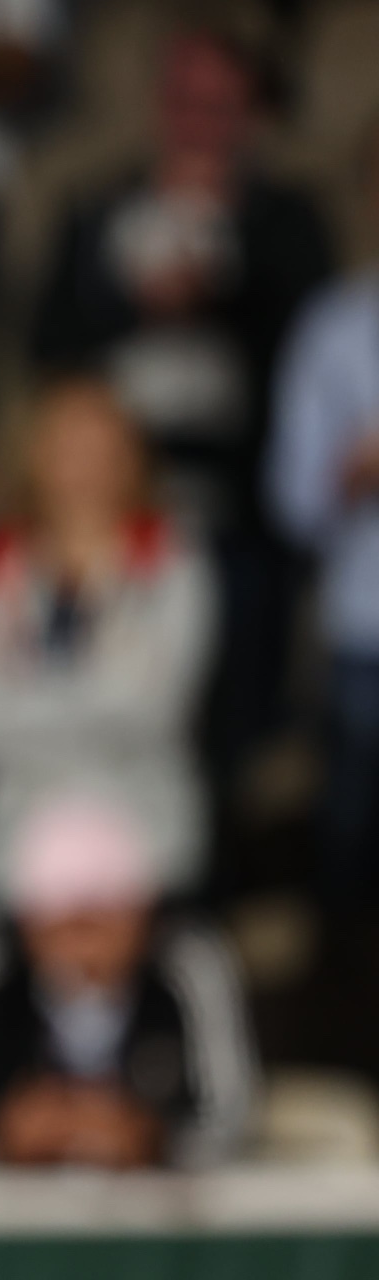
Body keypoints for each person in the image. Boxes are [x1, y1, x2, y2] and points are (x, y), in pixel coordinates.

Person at [31, 27, 333, 764]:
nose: (198, 123)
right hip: (116, 486)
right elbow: (47, 347)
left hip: (236, 493)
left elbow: (310, 358)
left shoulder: (286, 221)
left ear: (252, 117)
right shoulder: (96, 211)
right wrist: (134, 304)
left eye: (219, 106)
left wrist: (220, 291)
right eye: (184, 102)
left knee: (240, 643)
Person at [0, 379, 214, 914]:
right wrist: (95, 706)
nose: (86, 467)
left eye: (103, 447)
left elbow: (154, 712)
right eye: (67, 447)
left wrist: (15, 709)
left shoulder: (173, 560)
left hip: (144, 839)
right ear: (30, 455)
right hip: (9, 848)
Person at [0, 792, 256, 1167]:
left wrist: (153, 1139)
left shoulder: (186, 962)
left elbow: (236, 1126)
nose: (85, 944)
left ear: (144, 915)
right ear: (27, 922)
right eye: (64, 921)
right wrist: (1, 1140)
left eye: (105, 917)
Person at [271, 135, 379, 913]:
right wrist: (351, 474)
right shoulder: (334, 328)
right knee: (352, 848)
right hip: (365, 632)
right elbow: (292, 504)